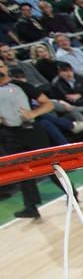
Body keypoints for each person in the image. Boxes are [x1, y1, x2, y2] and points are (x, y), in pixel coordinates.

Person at [0, 62, 66, 220]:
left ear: (6, 68)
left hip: (32, 131)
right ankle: (31, 207)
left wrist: (34, 113)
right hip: (10, 133)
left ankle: (71, 191)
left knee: (49, 165)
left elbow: (48, 104)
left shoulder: (22, 86)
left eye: (1, 66)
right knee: (21, 170)